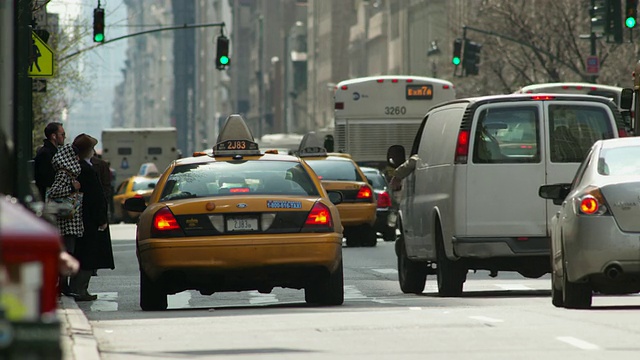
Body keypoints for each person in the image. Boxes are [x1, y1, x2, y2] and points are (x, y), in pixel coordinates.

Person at [71, 134, 115, 301]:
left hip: (84, 218)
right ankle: (80, 290)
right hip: (89, 220)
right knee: (88, 256)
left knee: (85, 254)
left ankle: (80, 289)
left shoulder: (80, 167)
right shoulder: (86, 169)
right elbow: (96, 197)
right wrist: (102, 219)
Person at [46, 143, 83, 297]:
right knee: (67, 251)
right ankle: (62, 286)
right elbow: (53, 192)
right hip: (65, 221)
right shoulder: (63, 174)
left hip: (70, 220)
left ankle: (63, 285)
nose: (77, 159)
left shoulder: (70, 173)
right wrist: (72, 188)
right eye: (75, 156)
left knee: (70, 250)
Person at [34, 122, 65, 200]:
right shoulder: (46, 154)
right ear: (54, 136)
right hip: (47, 197)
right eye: (62, 134)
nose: (64, 137)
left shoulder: (51, 152)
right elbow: (47, 179)